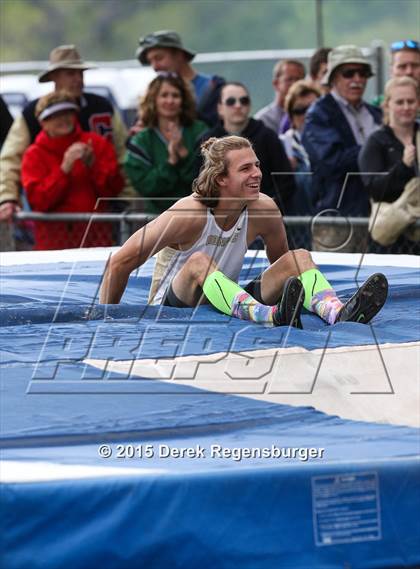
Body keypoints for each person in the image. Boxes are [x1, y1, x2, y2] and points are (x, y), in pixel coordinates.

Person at [100, 135, 388, 330]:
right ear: (221, 178)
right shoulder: (188, 213)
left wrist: (295, 289)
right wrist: (106, 319)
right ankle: (267, 317)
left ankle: (337, 312)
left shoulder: (264, 208)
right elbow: (120, 262)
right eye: (246, 168)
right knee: (199, 262)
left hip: (227, 299)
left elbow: (283, 270)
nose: (257, 174)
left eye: (257, 166)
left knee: (298, 258)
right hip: (173, 308)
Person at [0, 45, 132, 226]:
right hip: (52, 220)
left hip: (105, 213)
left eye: (81, 73)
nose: (78, 79)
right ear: (54, 77)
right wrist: (8, 197)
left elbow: (124, 155)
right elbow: (10, 158)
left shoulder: (102, 106)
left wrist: (126, 199)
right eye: (70, 74)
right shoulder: (33, 113)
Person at [302, 45, 382, 252]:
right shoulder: (318, 114)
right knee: (333, 284)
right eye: (349, 73)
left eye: (363, 73)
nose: (357, 79)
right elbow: (331, 162)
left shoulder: (376, 113)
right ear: (334, 78)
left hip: (378, 218)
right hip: (336, 221)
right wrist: (375, 150)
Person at [21, 91, 124, 250]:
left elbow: (113, 189)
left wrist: (93, 166)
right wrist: (63, 170)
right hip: (53, 245)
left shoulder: (96, 143)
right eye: (55, 115)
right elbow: (39, 201)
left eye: (68, 112)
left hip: (96, 241)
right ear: (43, 122)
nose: (63, 118)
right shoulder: (33, 154)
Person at [198, 82, 296, 214]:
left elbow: (285, 182)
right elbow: (200, 182)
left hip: (262, 218)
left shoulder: (268, 136)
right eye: (231, 101)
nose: (238, 105)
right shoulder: (206, 141)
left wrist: (266, 207)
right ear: (220, 108)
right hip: (218, 217)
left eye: (244, 100)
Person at [125, 74, 208, 215]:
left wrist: (182, 152)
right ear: (153, 100)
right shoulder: (141, 141)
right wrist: (171, 161)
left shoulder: (200, 131)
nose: (170, 101)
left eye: (175, 95)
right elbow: (146, 186)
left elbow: (206, 178)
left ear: (183, 100)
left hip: (197, 215)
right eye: (164, 95)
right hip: (156, 218)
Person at [359, 76, 419, 253]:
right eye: (400, 102)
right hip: (391, 241)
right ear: (387, 105)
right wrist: (403, 166)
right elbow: (374, 189)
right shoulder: (376, 141)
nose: (406, 107)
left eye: (411, 101)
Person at [136, 30, 225, 127]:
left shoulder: (213, 88)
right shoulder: (152, 93)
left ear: (179, 55)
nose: (155, 67)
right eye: (150, 61)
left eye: (159, 58)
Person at [280, 80, 321, 248]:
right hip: (296, 227)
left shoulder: (333, 143)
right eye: (299, 111)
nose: (306, 115)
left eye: (312, 108)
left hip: (328, 221)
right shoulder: (282, 145)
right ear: (290, 117)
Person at [254, 59, 305, 135]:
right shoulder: (263, 120)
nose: (295, 84)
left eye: (298, 80)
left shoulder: (309, 116)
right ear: (276, 84)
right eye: (289, 79)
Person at [372, 40, 420, 108]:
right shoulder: (376, 108)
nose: (409, 72)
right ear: (391, 71)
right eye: (402, 66)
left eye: (415, 65)